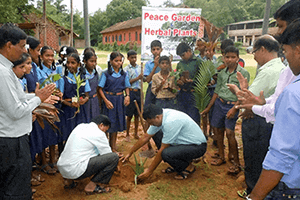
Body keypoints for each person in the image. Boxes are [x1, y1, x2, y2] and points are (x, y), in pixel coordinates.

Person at [247, 18, 300, 200]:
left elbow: (282, 155)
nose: (284, 58)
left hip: (292, 186)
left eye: (285, 51)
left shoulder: (294, 92)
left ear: (297, 50)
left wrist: (254, 197)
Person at [0, 23, 55, 200]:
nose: (25, 49)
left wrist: (37, 96)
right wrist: (39, 99)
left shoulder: (7, 69)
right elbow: (15, 111)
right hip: (11, 141)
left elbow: (19, 97)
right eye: (22, 45)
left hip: (14, 138)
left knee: (15, 185)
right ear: (9, 45)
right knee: (15, 189)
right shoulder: (2, 73)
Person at [228, 35, 284, 198]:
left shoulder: (267, 71)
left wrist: (236, 90)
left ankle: (252, 191)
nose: (253, 56)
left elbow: (248, 99)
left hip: (257, 120)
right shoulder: (280, 67)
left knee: (253, 157)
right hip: (268, 119)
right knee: (262, 154)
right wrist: (245, 87)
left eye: (254, 52)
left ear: (263, 49)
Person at [122, 104, 207, 180]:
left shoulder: (170, 122)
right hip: (185, 143)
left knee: (165, 153)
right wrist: (130, 153)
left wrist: (149, 171)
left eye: (151, 123)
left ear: (157, 117)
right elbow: (145, 137)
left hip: (198, 146)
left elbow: (162, 149)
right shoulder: (161, 116)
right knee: (156, 135)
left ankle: (188, 167)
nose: (151, 125)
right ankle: (179, 165)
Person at [201, 46, 250, 174]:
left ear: (238, 58)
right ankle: (221, 156)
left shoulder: (243, 73)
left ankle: (236, 163)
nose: (229, 59)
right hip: (219, 103)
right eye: (227, 57)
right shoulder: (222, 73)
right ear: (223, 58)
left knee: (230, 133)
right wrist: (208, 108)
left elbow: (243, 94)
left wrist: (234, 109)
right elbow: (217, 92)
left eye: (233, 57)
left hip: (232, 105)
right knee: (218, 130)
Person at [57, 115, 119, 194]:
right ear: (101, 125)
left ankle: (68, 182)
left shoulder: (80, 126)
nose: (104, 132)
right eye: (105, 130)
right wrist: (115, 166)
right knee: (114, 157)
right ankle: (92, 186)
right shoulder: (99, 133)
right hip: (76, 170)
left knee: (81, 153)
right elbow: (107, 154)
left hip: (62, 168)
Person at [98, 51, 130, 156]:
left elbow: (126, 86)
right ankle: (105, 147)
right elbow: (100, 89)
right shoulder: (106, 74)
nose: (118, 63)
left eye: (120, 61)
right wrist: (106, 101)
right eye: (116, 61)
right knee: (107, 123)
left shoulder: (124, 74)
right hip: (109, 100)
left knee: (115, 123)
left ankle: (113, 146)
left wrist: (127, 96)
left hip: (119, 100)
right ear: (111, 61)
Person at [60, 52, 90, 144]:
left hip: (80, 110)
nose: (70, 65)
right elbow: (61, 98)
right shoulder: (63, 79)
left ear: (79, 64)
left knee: (80, 134)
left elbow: (87, 95)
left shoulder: (83, 78)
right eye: (68, 63)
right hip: (68, 111)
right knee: (68, 134)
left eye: (73, 63)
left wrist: (83, 100)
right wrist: (69, 104)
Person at [176, 42, 202, 125]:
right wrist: (178, 81)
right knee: (182, 117)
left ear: (189, 51)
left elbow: (204, 79)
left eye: (183, 55)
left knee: (194, 117)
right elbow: (177, 76)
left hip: (194, 93)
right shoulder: (180, 64)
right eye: (180, 56)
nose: (182, 57)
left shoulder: (198, 62)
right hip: (183, 93)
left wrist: (193, 81)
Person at [123, 50, 143, 142]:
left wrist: (143, 78)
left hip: (138, 92)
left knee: (137, 114)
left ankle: (136, 133)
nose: (134, 59)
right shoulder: (126, 69)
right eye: (132, 57)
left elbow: (144, 79)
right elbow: (126, 82)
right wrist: (137, 78)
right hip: (130, 92)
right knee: (129, 114)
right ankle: (127, 134)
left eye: (135, 57)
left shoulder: (140, 68)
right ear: (128, 58)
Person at [83, 50, 101, 123]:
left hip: (95, 101)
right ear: (85, 61)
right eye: (91, 61)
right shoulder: (82, 74)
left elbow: (97, 89)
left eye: (95, 61)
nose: (94, 64)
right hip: (85, 103)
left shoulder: (95, 73)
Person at [144, 40, 163, 107]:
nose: (156, 51)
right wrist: (155, 66)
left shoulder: (165, 62)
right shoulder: (148, 64)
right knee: (149, 109)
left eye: (158, 49)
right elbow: (148, 80)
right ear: (151, 51)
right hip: (152, 88)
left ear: (161, 50)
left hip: (163, 88)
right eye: (153, 49)